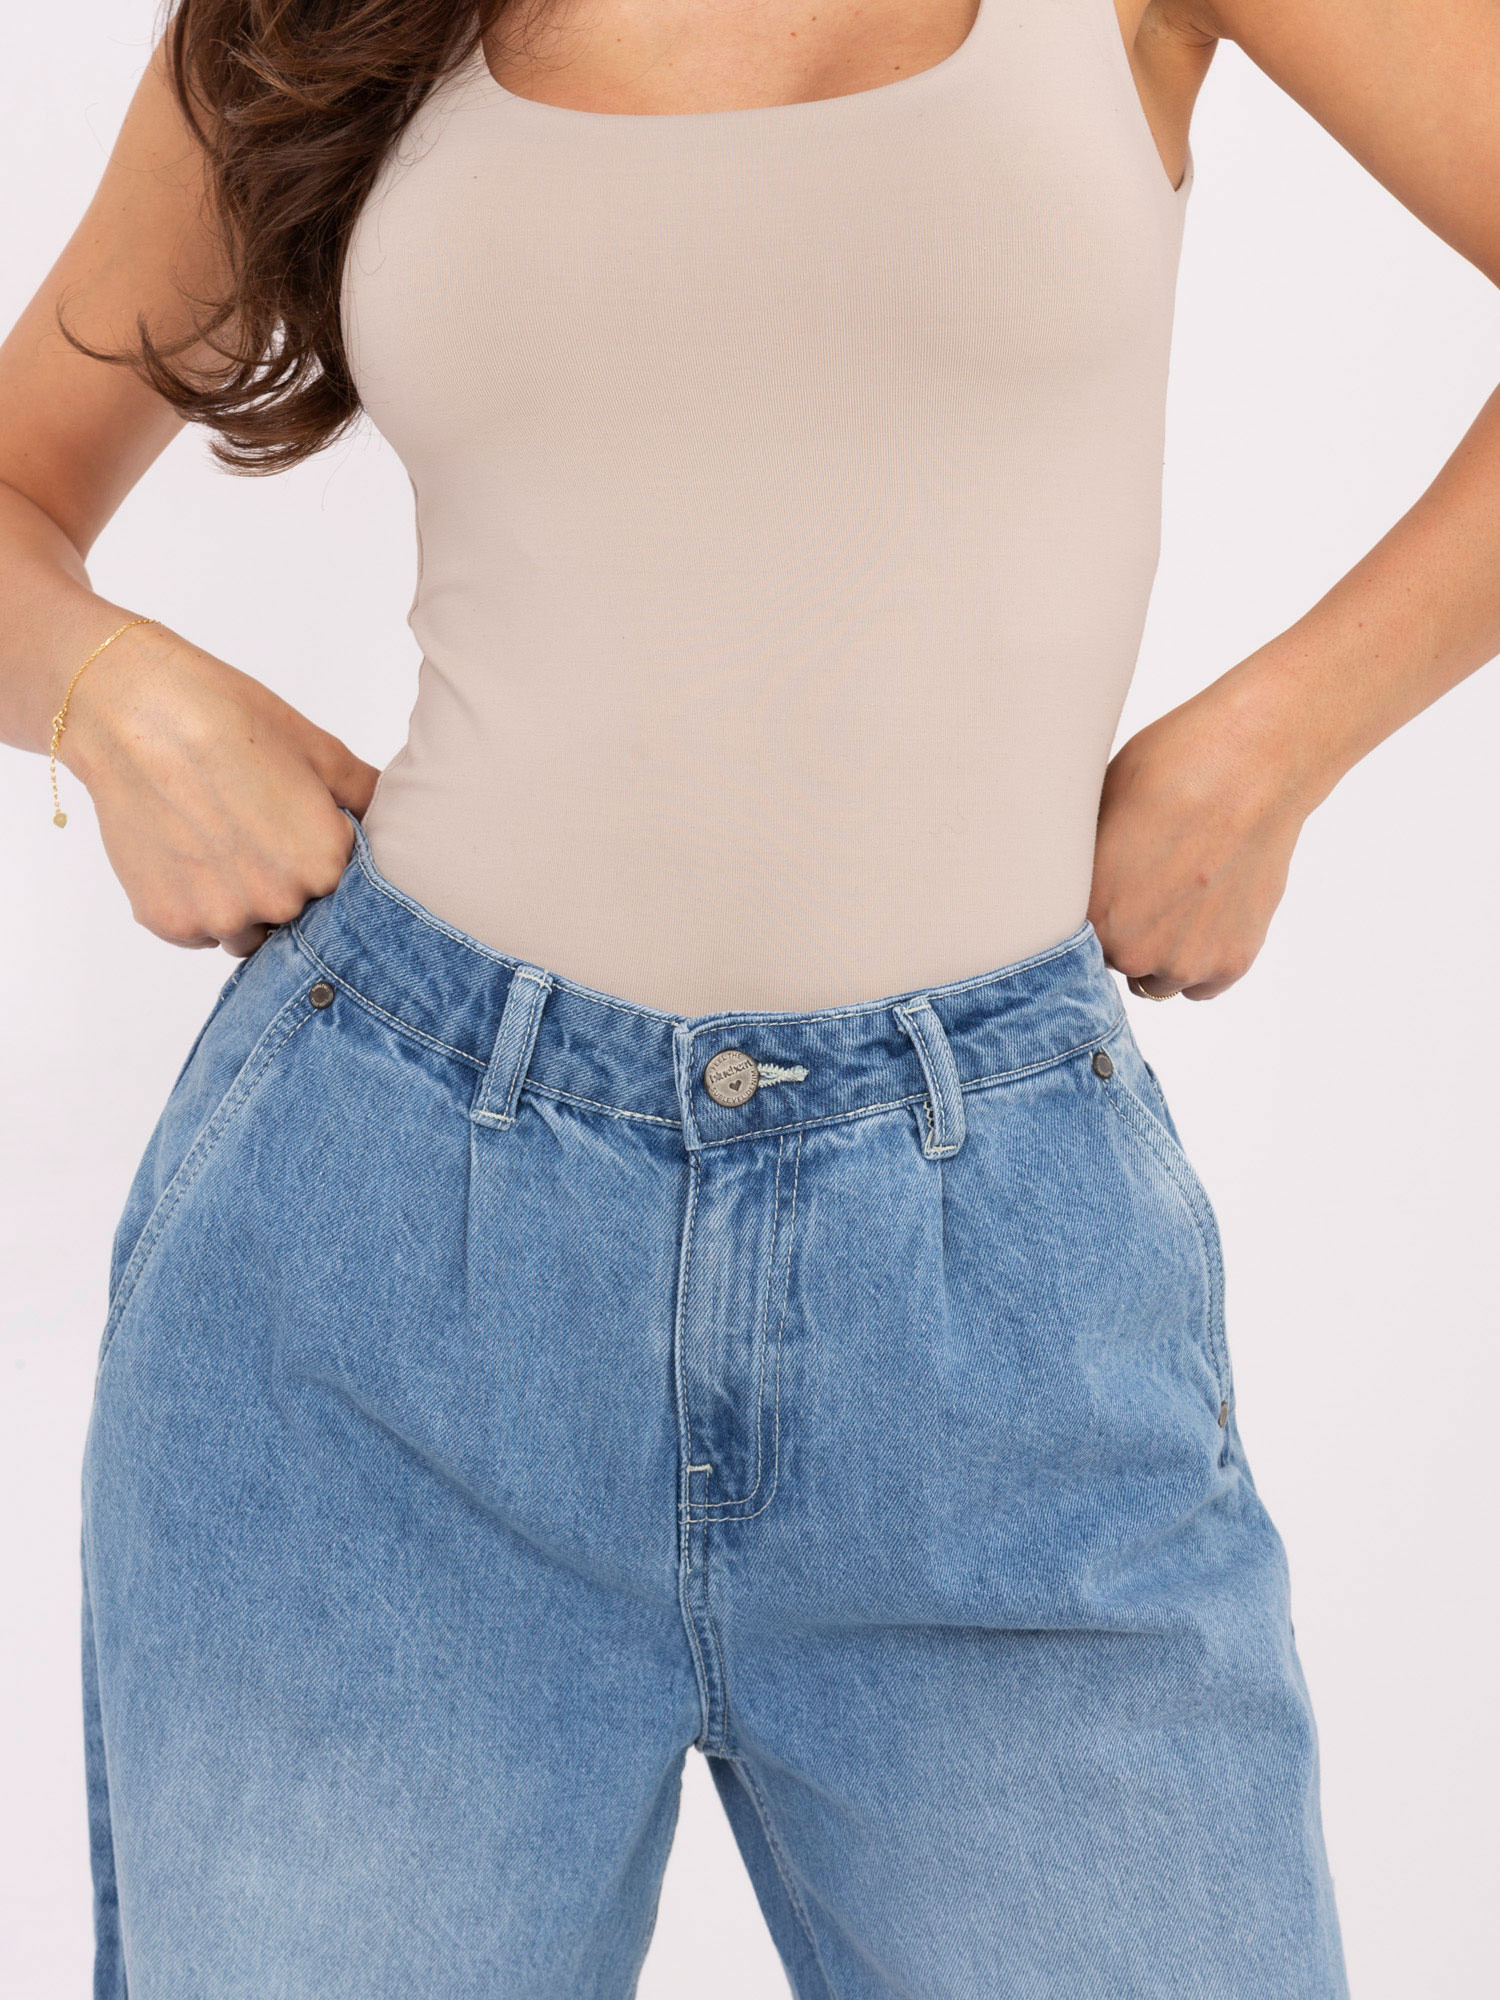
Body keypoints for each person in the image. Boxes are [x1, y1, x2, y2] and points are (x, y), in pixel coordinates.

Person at [1, 2, 1495, 1993]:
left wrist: (1275, 749)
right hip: (380, 1287)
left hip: (1000, 1307)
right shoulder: (306, 14)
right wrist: (114, 700)